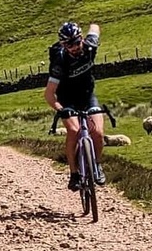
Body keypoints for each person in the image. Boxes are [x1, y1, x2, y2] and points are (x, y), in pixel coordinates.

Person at [44, 21, 106, 190]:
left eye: (77, 42)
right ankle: (74, 173)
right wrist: (60, 109)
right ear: (63, 45)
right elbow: (49, 94)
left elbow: (95, 27)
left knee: (98, 133)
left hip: (87, 95)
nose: (75, 47)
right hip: (67, 99)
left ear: (82, 39)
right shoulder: (60, 62)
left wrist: (92, 30)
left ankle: (97, 164)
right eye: (69, 45)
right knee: (73, 130)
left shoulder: (89, 46)